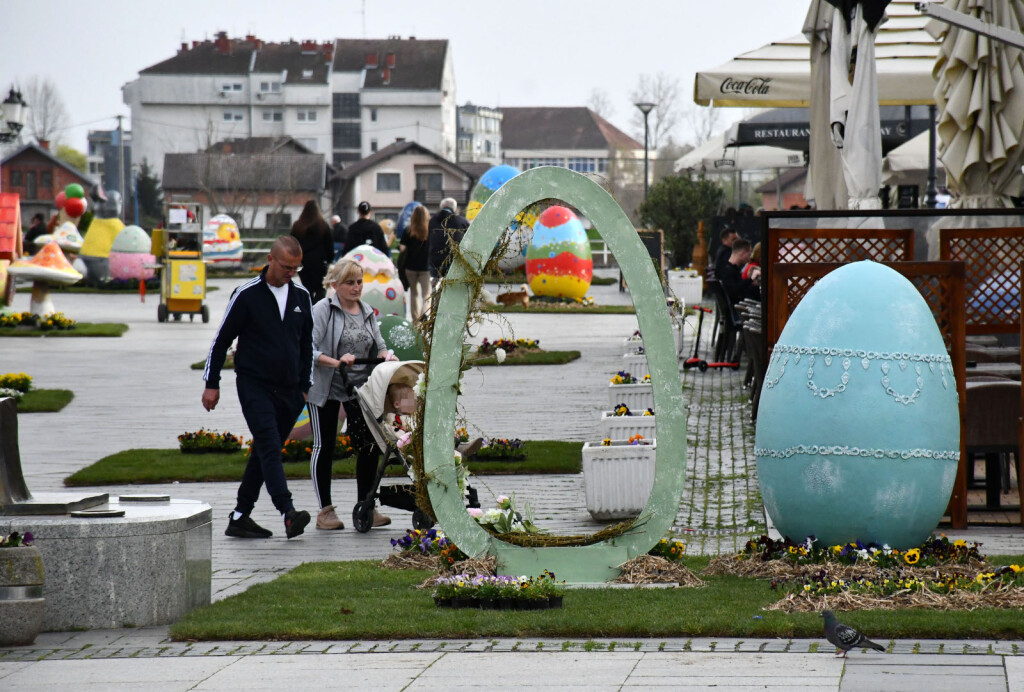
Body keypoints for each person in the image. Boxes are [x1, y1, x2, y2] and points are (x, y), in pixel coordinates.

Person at [202, 236, 314, 540]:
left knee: (267, 449)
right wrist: (212, 383)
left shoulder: (302, 296)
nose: (292, 272)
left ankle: (240, 516)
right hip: (254, 385)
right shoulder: (246, 294)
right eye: (287, 266)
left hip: (291, 391)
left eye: (297, 267)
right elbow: (221, 340)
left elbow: (307, 347)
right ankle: (288, 513)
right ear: (271, 259)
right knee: (268, 444)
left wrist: (304, 387)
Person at [308, 259, 398, 530]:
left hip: (359, 390)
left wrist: (386, 355)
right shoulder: (323, 310)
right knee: (324, 446)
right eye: (350, 282)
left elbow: (379, 345)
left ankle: (365, 506)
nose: (356, 287)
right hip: (326, 387)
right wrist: (336, 362)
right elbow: (307, 350)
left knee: (368, 446)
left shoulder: (367, 311)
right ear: (334, 285)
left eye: (359, 282)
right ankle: (325, 512)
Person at [290, 201, 334, 303]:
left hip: (303, 262)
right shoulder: (323, 226)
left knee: (307, 288)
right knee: (320, 288)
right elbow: (329, 246)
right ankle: (318, 309)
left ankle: (308, 307)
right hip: (320, 263)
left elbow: (292, 244)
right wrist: (329, 260)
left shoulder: (297, 226)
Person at [400, 205, 432, 322]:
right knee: (426, 294)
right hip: (426, 267)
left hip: (410, 267)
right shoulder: (431, 230)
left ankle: (415, 320)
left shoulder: (408, 230)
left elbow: (402, 248)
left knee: (414, 294)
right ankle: (425, 314)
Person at [428, 197, 469, 282]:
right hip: (454, 260)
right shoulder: (462, 222)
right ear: (455, 209)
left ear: (441, 208)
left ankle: (435, 291)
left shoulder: (431, 221)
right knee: (452, 285)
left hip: (435, 259)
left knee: (435, 283)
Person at [719, 238, 761, 304]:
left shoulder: (730, 269)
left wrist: (753, 284)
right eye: (749, 255)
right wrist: (751, 279)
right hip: (741, 310)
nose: (749, 259)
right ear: (742, 253)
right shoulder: (729, 271)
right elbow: (734, 291)